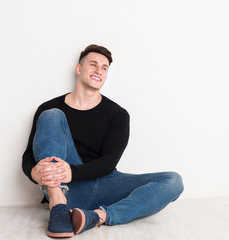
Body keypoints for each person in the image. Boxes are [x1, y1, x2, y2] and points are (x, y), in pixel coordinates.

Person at [22, 44, 184, 238]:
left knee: (173, 181)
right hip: (62, 186)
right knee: (52, 115)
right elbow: (29, 155)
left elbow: (109, 162)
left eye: (104, 67)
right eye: (93, 64)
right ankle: (58, 206)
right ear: (79, 69)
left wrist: (73, 171)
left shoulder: (117, 114)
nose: (99, 70)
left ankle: (96, 217)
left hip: (104, 185)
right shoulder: (48, 108)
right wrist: (34, 173)